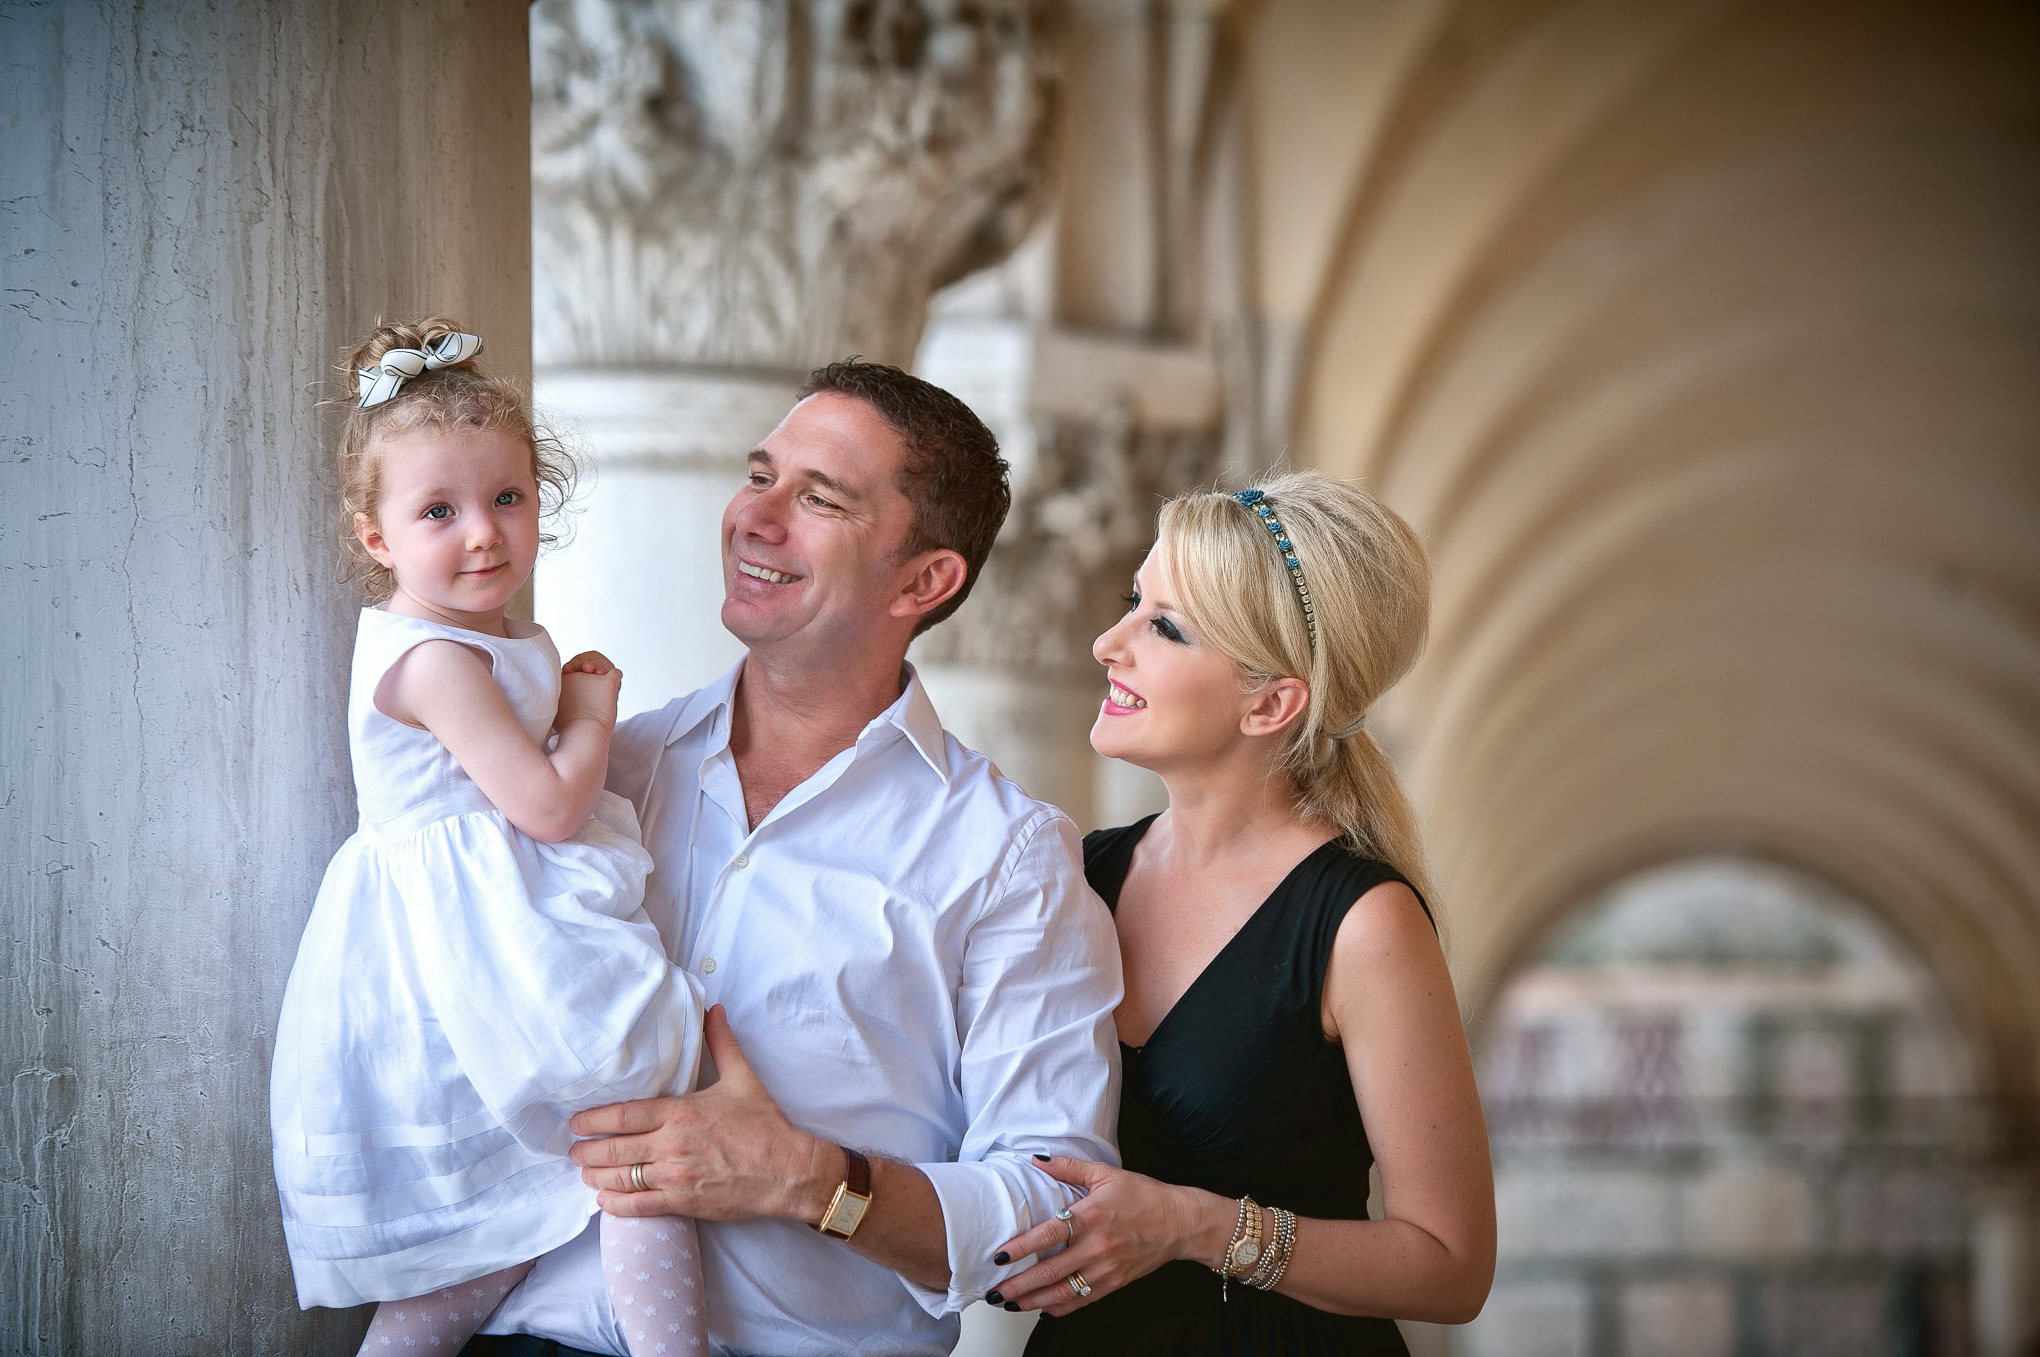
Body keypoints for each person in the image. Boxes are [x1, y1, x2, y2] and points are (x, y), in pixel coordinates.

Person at [469, 359, 1124, 1356]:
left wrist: (814, 1180)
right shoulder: (605, 771)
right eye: (759, 473)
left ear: (926, 579)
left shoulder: (1005, 856)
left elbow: (1057, 1213)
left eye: (819, 498)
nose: (754, 518)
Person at [269, 319, 711, 1356]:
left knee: (549, 1201)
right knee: (619, 1162)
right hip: (469, 958)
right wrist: (592, 709)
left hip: (513, 924)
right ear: (378, 538)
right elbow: (550, 805)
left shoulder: (495, 632)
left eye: (507, 498)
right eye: (438, 511)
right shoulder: (433, 664)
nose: (483, 533)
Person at [987, 473, 1497, 1353]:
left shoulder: (1363, 922)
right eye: (1131, 602)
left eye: (1164, 627)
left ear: (1272, 702)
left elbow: (1451, 1266)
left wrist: (1193, 1225)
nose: (1110, 642)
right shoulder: (1073, 873)